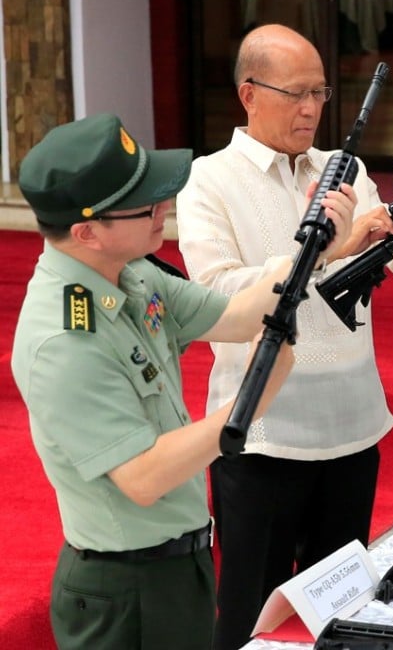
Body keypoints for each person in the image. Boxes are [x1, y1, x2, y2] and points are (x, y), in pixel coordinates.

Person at [10, 112, 355, 649]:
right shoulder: (64, 340)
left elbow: (238, 316)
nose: (163, 210)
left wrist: (317, 253)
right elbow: (142, 478)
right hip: (125, 586)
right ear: (86, 231)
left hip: (182, 561)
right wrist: (243, 409)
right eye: (146, 205)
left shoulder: (134, 271)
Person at [174, 23, 393, 650]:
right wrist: (321, 251)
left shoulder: (347, 168)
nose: (311, 108)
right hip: (261, 434)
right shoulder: (208, 179)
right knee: (250, 619)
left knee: (337, 613)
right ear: (249, 94)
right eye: (295, 93)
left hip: (352, 424)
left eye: (320, 92)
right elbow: (217, 296)